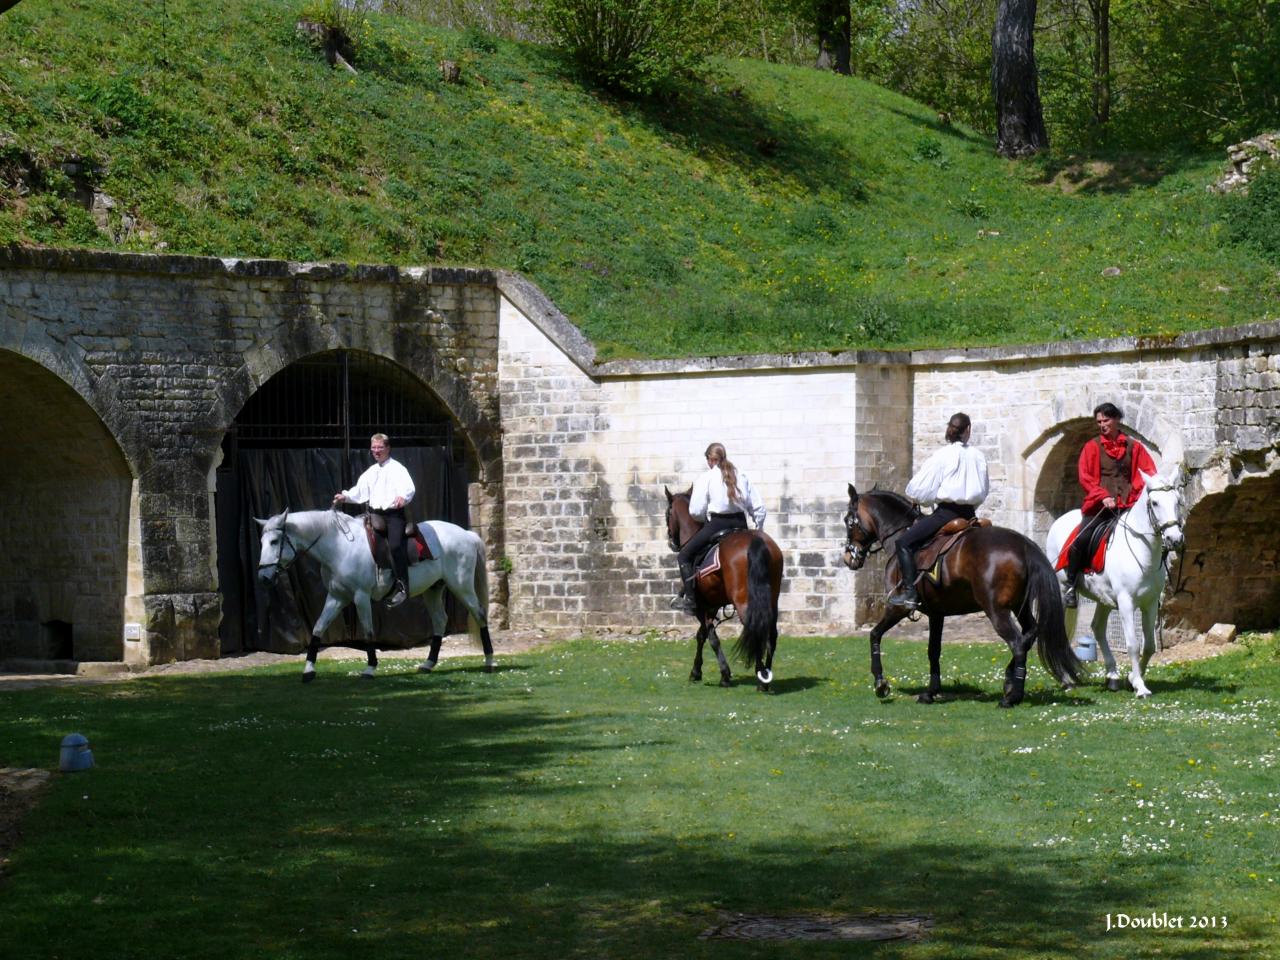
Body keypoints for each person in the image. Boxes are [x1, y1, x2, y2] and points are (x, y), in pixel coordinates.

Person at [1061, 402, 1157, 607]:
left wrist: (1134, 494)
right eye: (1099, 422)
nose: (1102, 425)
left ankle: (1157, 582)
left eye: (1106, 420)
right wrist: (1102, 495)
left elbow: (1148, 473)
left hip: (1128, 506)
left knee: (1157, 536)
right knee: (1081, 539)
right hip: (1100, 508)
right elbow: (1085, 477)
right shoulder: (1092, 447)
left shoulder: (1134, 446)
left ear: (1116, 420)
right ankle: (1070, 584)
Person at [891, 412, 989, 609]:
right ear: (968, 430)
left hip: (946, 514)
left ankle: (910, 593)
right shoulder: (979, 456)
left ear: (950, 430)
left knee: (903, 542)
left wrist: (922, 500)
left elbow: (918, 489)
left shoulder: (943, 455)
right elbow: (983, 490)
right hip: (970, 515)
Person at [671, 442, 767, 615]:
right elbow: (758, 507)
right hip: (741, 525)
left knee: (684, 556)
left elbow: (695, 511)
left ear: (710, 459)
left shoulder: (706, 478)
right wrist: (758, 530)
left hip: (716, 525)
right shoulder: (741, 475)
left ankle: (691, 600)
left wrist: (704, 519)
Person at [333, 433, 416, 607]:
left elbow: (409, 488)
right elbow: (359, 491)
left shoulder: (398, 468)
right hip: (374, 514)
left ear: (387, 448)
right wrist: (345, 496)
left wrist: (403, 496)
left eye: (379, 448)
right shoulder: (371, 472)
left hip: (393, 515)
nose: (376, 451)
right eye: (373, 448)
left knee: (394, 545)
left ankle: (402, 586)